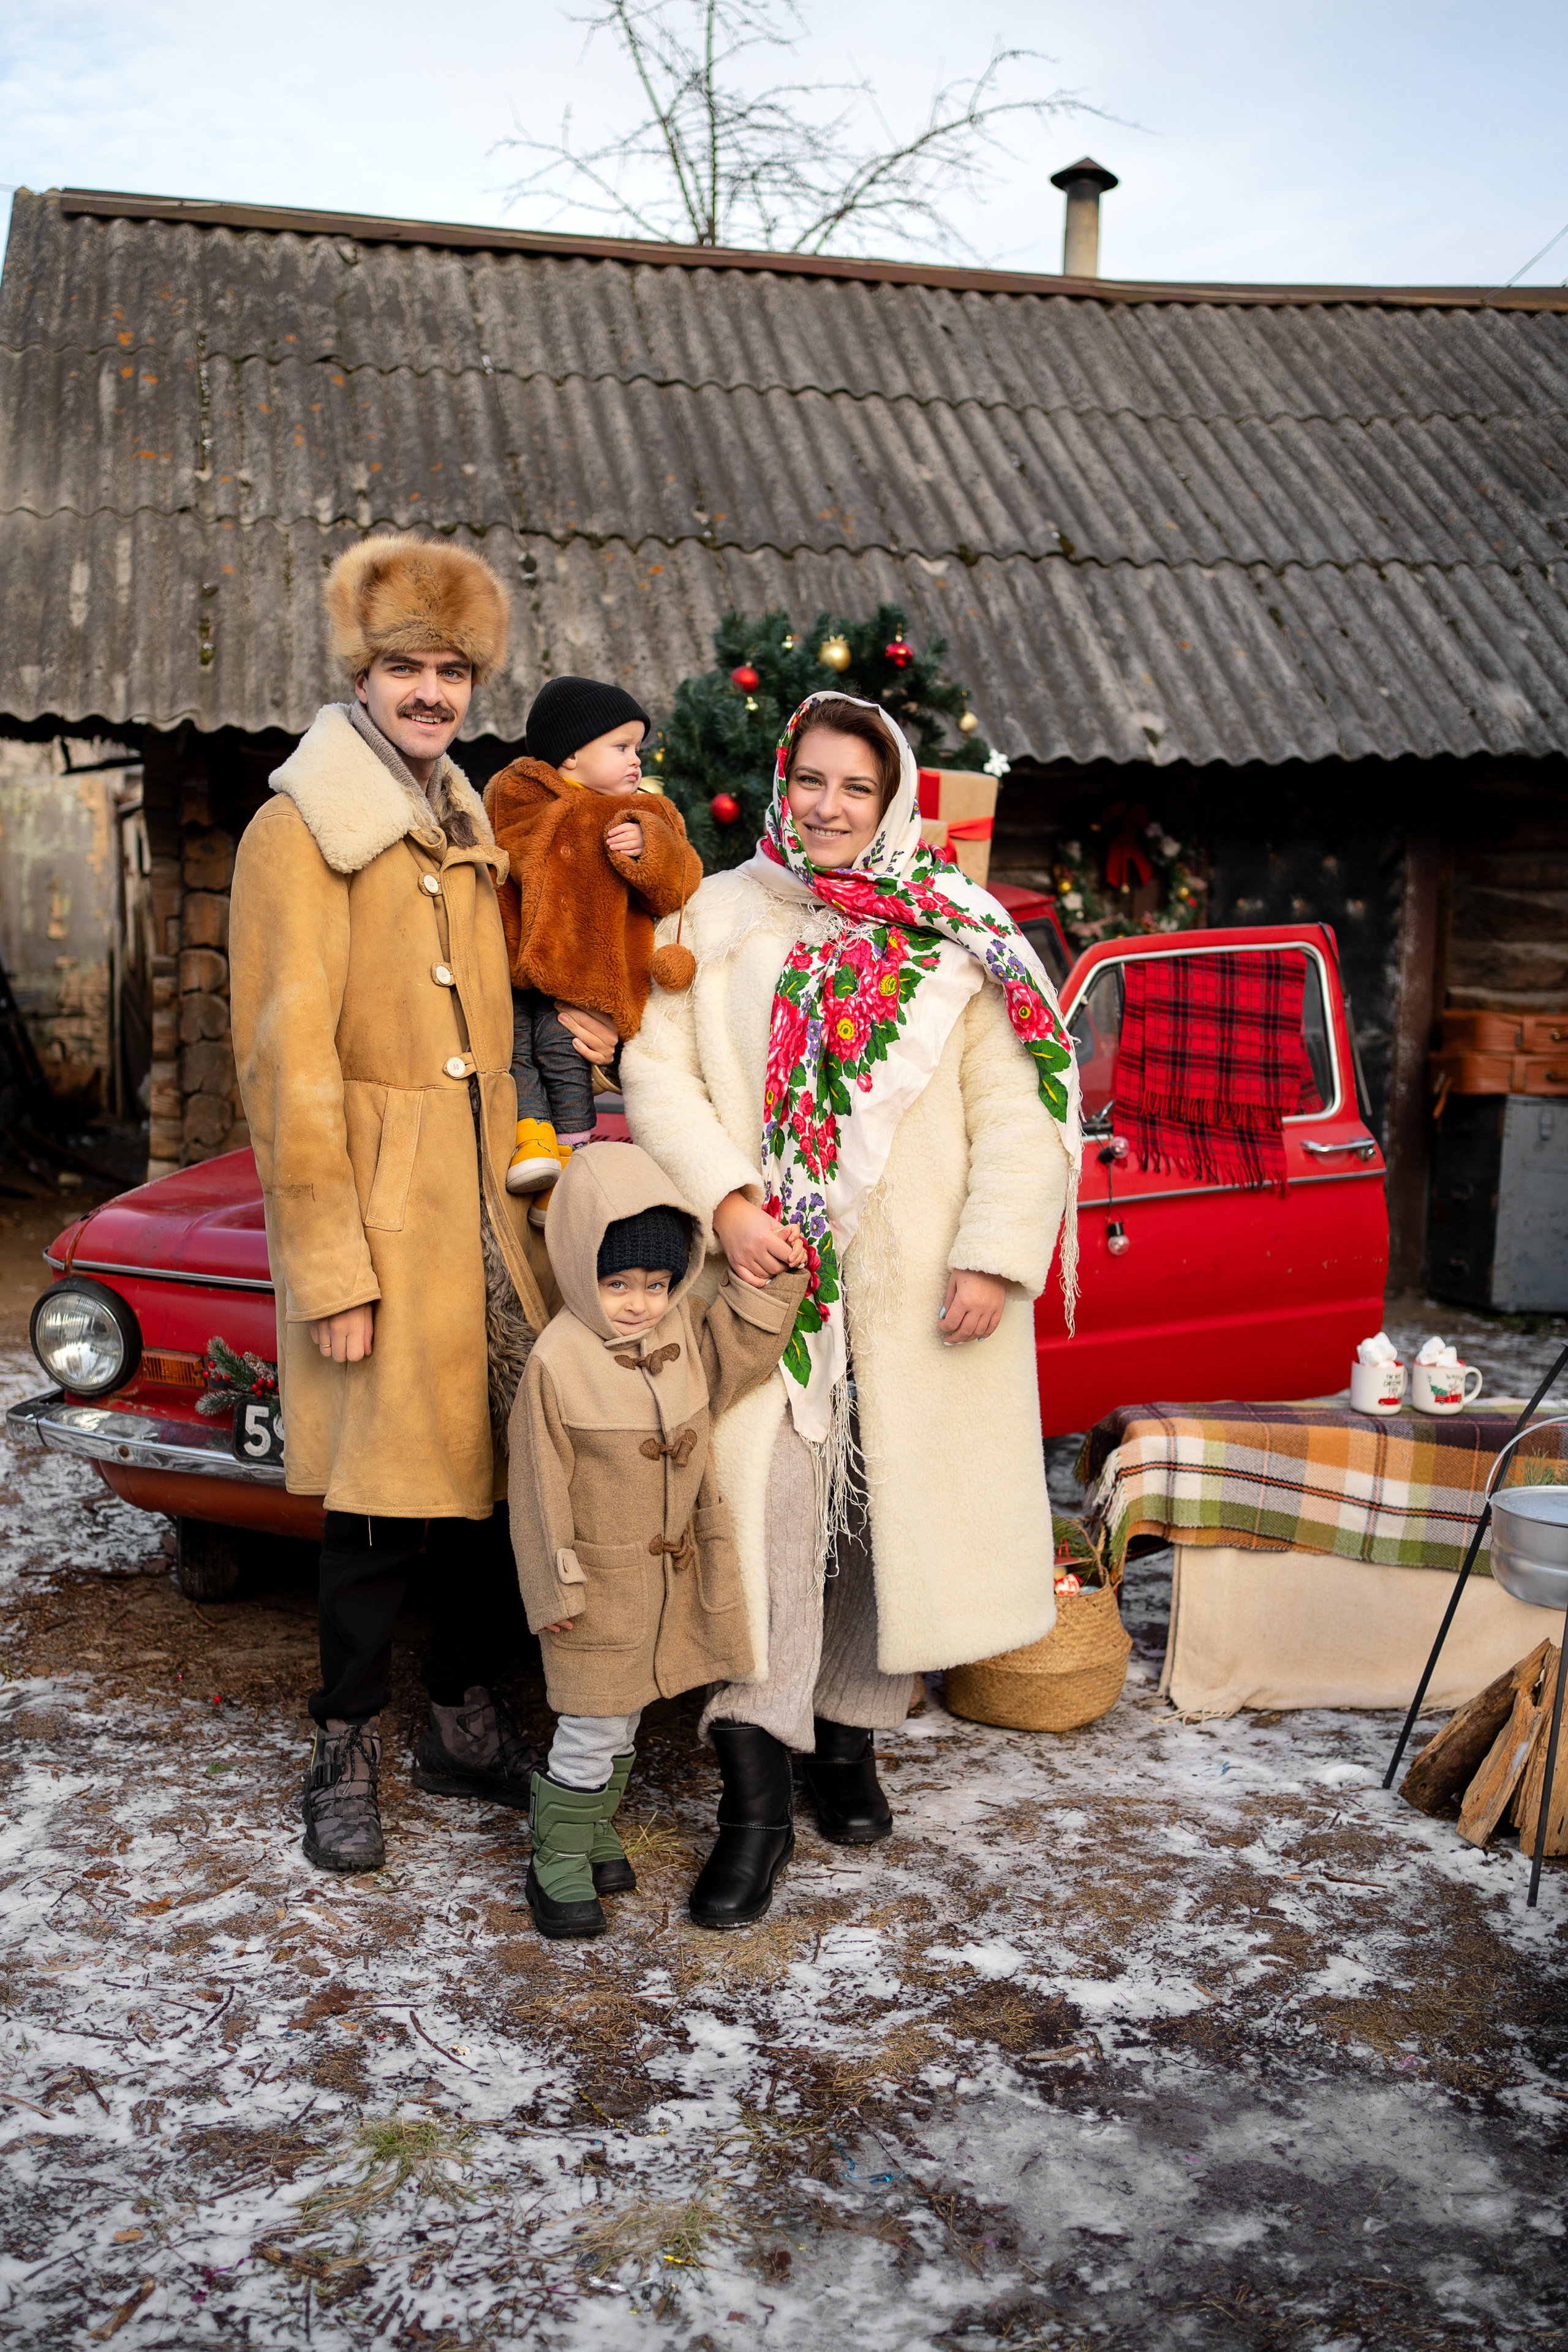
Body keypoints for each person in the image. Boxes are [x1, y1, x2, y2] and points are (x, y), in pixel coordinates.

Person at [621, 692, 1082, 1929]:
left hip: (921, 1287)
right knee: (763, 1518)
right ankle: (753, 1804)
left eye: (855, 790)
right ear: (784, 781)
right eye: (811, 781)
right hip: (768, 1285)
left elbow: (1021, 1107)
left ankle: (849, 1739)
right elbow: (653, 1073)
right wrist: (723, 1201)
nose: (827, 807)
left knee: (886, 1526)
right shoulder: (716, 916)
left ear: (890, 805)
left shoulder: (955, 931)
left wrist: (991, 1256)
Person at [230, 533, 564, 1874]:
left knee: (487, 1490)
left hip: (487, 1220)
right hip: (377, 1220)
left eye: (450, 670)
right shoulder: (297, 828)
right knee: (373, 1507)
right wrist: (335, 1270)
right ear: (359, 674)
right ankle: (343, 1743)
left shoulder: (467, 827)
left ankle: (458, 1722)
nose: (429, 691)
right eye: (403, 667)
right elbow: (285, 1068)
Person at [508, 1141, 807, 1939]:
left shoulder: (676, 1336)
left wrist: (771, 1290)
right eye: (617, 1284)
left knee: (627, 1717)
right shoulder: (558, 1363)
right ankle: (557, 1857)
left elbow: (728, 1362)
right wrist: (556, 1588)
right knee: (592, 1724)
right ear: (580, 1268)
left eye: (656, 1283)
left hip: (666, 1581)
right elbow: (536, 1492)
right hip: (598, 1584)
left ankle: (596, 1830)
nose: (640, 1303)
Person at [484, 679, 702, 1193]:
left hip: (591, 976)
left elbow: (681, 880)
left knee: (563, 1051)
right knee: (514, 1051)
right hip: (518, 966)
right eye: (621, 747)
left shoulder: (649, 814)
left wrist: (649, 847)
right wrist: (573, 823)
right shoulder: (516, 794)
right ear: (572, 755)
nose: (637, 762)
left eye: (638, 749)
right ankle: (533, 1142)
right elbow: (502, 850)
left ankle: (574, 1156)